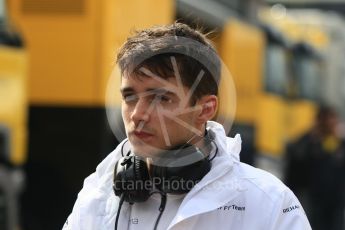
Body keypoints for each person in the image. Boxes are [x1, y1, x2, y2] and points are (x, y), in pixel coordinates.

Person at [63, 23, 311, 230]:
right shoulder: (97, 193)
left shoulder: (270, 203)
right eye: (129, 96)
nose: (138, 114)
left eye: (161, 98)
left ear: (205, 109)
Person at [285, 106, 345, 230]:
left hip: (335, 201)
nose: (334, 123)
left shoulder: (338, 142)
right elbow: (296, 158)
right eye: (330, 119)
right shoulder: (310, 140)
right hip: (314, 198)